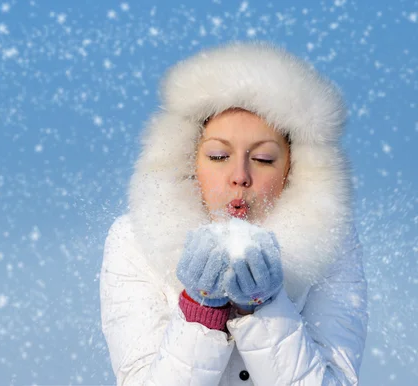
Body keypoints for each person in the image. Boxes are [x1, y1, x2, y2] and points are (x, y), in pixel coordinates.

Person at [99, 41, 368, 385]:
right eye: (218, 156)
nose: (240, 175)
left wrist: (266, 308)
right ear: (189, 160)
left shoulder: (334, 245)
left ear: (294, 170)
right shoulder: (132, 241)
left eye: (263, 159)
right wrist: (200, 315)